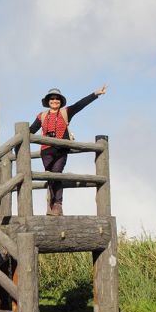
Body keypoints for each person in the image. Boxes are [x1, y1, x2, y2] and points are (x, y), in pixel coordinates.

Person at [29, 84, 107, 216]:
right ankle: (51, 205)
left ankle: (57, 206)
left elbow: (80, 104)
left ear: (61, 101)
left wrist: (96, 94)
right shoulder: (41, 116)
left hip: (61, 150)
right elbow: (30, 130)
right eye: (52, 99)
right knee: (50, 178)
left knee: (57, 175)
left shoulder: (66, 112)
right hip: (46, 151)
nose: (55, 101)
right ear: (48, 101)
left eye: (57, 99)